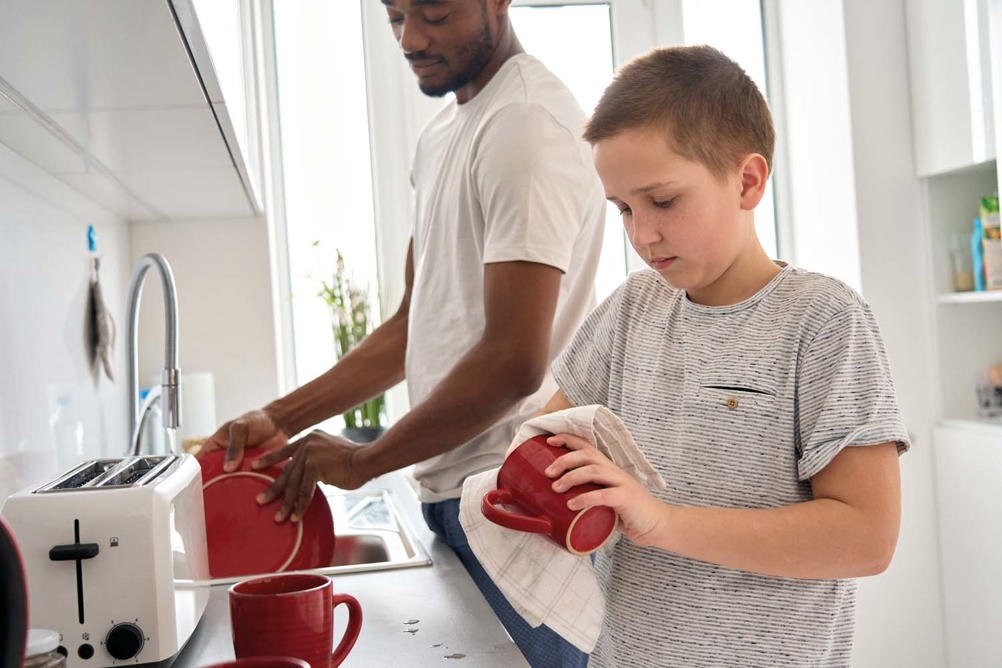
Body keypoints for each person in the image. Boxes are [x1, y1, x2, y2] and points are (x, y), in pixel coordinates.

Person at [199, 1, 603, 665]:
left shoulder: (527, 126)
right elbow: (414, 324)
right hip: (457, 498)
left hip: (514, 507)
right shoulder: (445, 134)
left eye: (435, 13)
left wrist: (365, 459)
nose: (411, 38)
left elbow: (513, 362)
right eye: (395, 16)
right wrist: (281, 416)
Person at [535, 45, 909, 666]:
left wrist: (662, 520)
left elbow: (868, 538)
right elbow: (548, 440)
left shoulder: (823, 321)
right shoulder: (630, 310)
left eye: (663, 201)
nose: (641, 235)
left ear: (747, 180)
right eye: (623, 209)